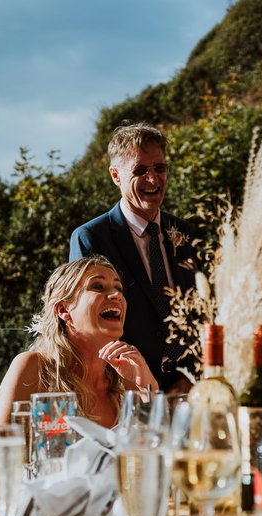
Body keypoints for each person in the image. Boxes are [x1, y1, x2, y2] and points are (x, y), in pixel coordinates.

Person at [69, 123, 194, 392]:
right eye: (140, 170)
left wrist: (190, 379)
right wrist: (135, 382)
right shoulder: (91, 237)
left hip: (189, 389)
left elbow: (203, 311)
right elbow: (86, 326)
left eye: (159, 168)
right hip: (125, 389)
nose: (153, 179)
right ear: (116, 175)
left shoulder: (186, 233)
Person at [0, 256, 157, 428]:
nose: (116, 295)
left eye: (118, 288)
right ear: (64, 310)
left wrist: (147, 385)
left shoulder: (127, 380)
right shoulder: (34, 368)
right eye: (98, 287)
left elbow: (159, 445)